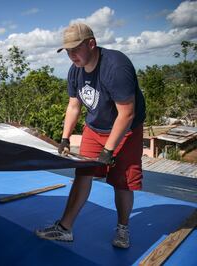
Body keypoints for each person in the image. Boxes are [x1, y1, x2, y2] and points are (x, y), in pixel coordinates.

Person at [35, 23, 146, 249]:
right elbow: (74, 106)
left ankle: (123, 229)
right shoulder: (75, 70)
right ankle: (64, 228)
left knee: (122, 182)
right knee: (83, 175)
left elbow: (127, 113)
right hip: (95, 129)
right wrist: (65, 138)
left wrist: (108, 151)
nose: (71, 55)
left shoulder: (115, 66)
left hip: (125, 130)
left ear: (92, 44)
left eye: (76, 49)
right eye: (67, 51)